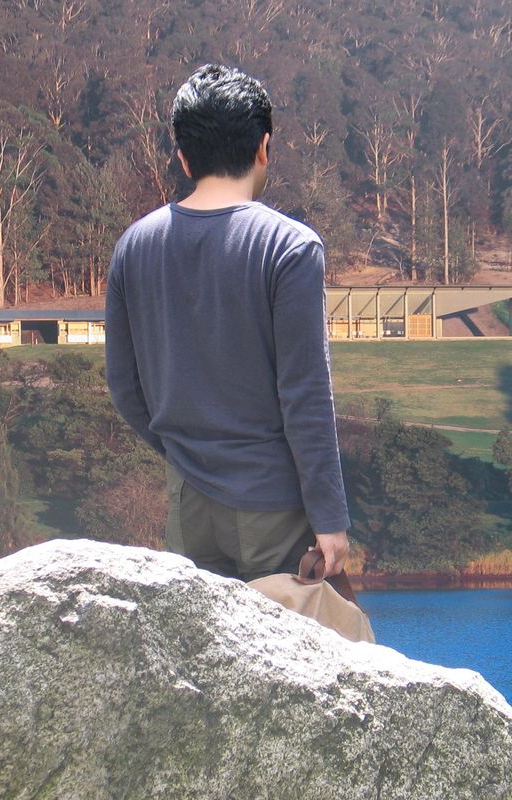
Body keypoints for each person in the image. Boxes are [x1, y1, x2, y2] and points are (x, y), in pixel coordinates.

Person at [105, 64, 350, 583]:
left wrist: (182, 453)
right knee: (286, 658)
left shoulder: (135, 245)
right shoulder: (289, 247)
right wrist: (329, 519)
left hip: (187, 502)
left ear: (184, 156)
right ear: (264, 147)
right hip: (272, 505)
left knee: (199, 661)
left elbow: (125, 388)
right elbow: (305, 394)